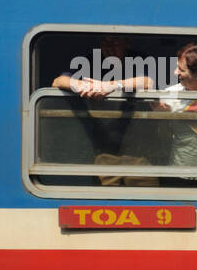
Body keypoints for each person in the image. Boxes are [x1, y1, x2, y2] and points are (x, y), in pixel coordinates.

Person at [50, 34, 157, 186]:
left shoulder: (138, 59)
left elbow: (148, 82)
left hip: (138, 144)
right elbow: (58, 81)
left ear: (126, 42)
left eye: (115, 41)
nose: (109, 47)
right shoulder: (90, 60)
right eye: (105, 42)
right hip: (102, 144)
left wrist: (111, 85)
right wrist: (82, 86)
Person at [154, 43, 197, 179]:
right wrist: (162, 119)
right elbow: (161, 140)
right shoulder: (170, 95)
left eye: (181, 69)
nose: (176, 72)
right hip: (177, 174)